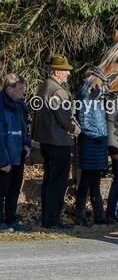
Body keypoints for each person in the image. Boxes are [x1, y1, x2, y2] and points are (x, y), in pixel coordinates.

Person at [32, 55, 79, 230]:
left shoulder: (44, 86)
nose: (68, 74)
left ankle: (47, 218)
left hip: (45, 141)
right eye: (66, 70)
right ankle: (52, 221)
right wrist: (78, 130)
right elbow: (66, 119)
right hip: (59, 142)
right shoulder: (58, 91)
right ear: (57, 72)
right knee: (58, 183)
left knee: (49, 180)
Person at [75, 71, 110, 226]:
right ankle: (80, 213)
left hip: (98, 144)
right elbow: (84, 124)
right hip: (91, 144)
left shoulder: (96, 99)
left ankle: (99, 215)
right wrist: (100, 136)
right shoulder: (86, 99)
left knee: (95, 181)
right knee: (86, 181)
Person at [0, 74, 32, 232]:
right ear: (9, 88)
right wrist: (2, 160)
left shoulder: (20, 104)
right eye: (19, 89)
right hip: (5, 155)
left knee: (14, 189)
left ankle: (11, 219)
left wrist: (27, 144)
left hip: (18, 153)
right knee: (1, 191)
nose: (22, 92)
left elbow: (26, 126)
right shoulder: (1, 104)